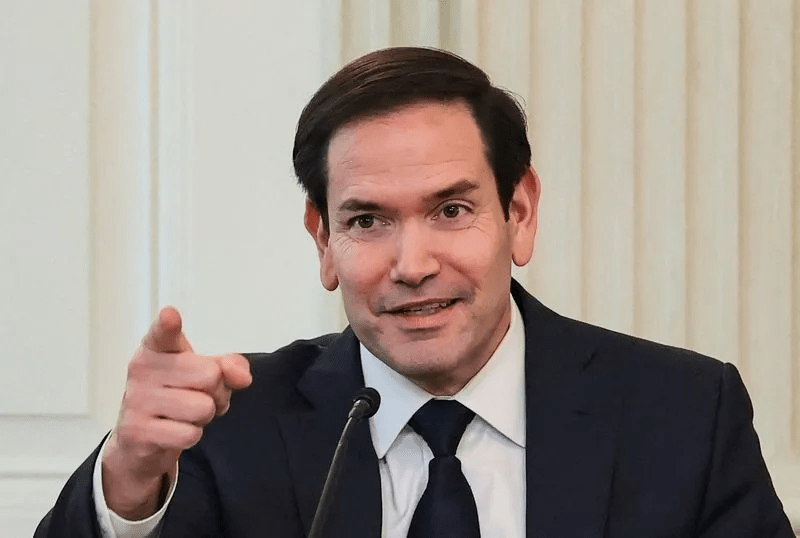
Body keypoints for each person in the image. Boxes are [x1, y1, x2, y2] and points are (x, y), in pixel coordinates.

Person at [36, 47, 793, 537]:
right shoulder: (233, 426)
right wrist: (127, 480)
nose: (412, 263)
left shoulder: (683, 414)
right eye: (367, 221)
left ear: (520, 212)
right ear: (323, 241)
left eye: (451, 210)